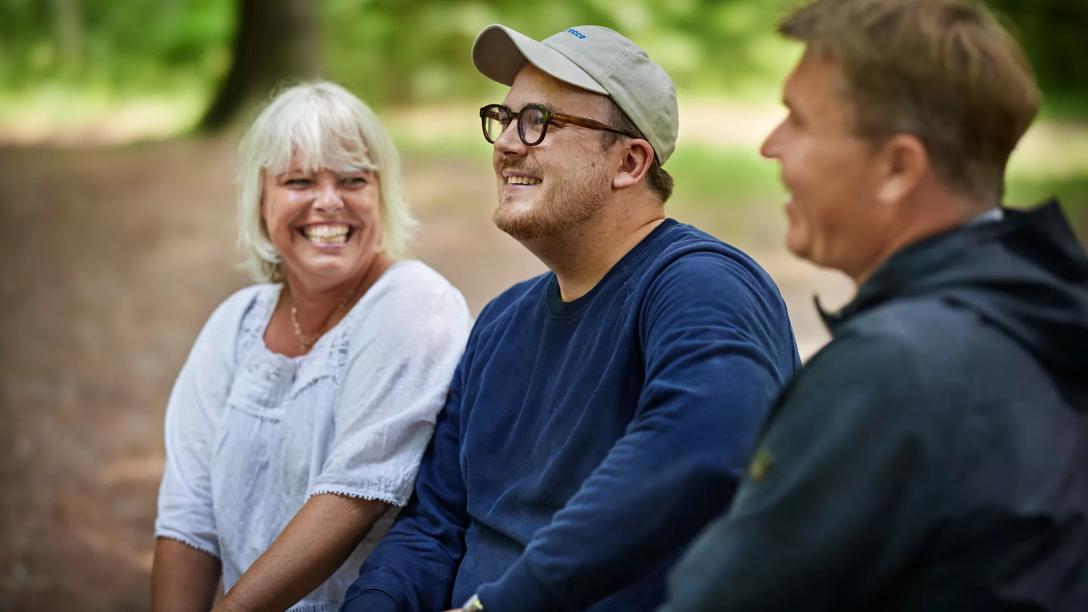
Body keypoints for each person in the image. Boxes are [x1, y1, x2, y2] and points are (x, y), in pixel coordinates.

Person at [341, 25, 799, 612]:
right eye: (502, 120)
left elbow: (706, 441)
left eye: (539, 122)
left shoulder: (700, 285)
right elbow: (435, 527)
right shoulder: (501, 322)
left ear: (630, 161)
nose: (506, 144)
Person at [662, 0, 1088, 610]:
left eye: (799, 122)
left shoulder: (897, 371)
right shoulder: (1041, 315)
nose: (769, 146)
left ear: (897, 168)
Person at [151, 81, 472, 612]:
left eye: (352, 179)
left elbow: (354, 495)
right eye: (298, 181)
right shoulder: (234, 324)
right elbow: (188, 518)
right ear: (260, 199)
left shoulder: (415, 303)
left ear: (381, 194)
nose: (328, 202)